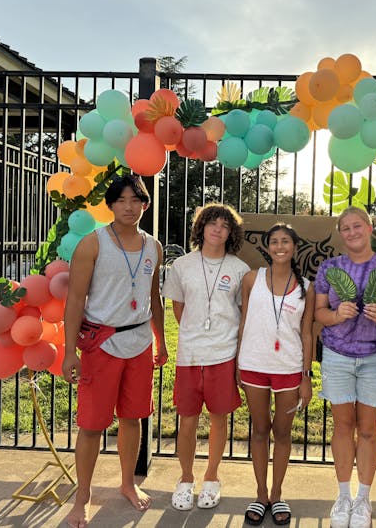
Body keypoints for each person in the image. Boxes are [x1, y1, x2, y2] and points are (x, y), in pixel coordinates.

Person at [62, 174, 168, 528]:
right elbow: (75, 299)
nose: (128, 206)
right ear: (110, 205)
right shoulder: (93, 244)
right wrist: (68, 352)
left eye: (135, 200)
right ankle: (83, 496)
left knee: (133, 416)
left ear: (145, 205)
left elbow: (154, 298)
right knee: (91, 424)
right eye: (121, 200)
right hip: (101, 344)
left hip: (139, 342)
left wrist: (162, 340)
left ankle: (127, 484)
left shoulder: (154, 246)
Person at [161, 203, 250, 511]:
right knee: (187, 421)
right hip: (190, 355)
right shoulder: (182, 265)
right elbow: (178, 308)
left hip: (223, 354)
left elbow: (242, 311)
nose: (217, 229)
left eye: (224, 225)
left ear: (231, 233)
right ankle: (185, 479)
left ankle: (211, 478)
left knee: (218, 420)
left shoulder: (239, 269)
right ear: (201, 228)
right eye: (211, 223)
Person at [313, 206, 376, 528]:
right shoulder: (330, 267)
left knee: (368, 429)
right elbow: (319, 312)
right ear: (340, 233)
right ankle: (343, 496)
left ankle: (364, 499)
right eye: (345, 228)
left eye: (357, 226)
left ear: (370, 227)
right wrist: (336, 315)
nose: (351, 232)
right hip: (337, 355)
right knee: (343, 427)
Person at [237, 223, 316, 526]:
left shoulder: (307, 287)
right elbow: (243, 322)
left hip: (288, 368)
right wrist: (237, 363)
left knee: (282, 433)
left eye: (285, 241)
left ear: (295, 247)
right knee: (259, 430)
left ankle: (277, 492)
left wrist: (306, 376)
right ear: (267, 247)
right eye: (274, 242)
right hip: (254, 364)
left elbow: (308, 334)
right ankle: (260, 495)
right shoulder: (251, 279)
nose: (279, 246)